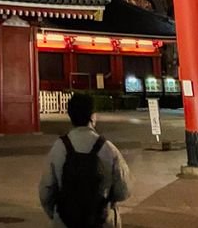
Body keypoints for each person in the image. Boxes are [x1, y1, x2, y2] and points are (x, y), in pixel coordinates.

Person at [38, 92, 131, 228]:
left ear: (70, 116)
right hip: (102, 221)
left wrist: (56, 215)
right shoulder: (107, 148)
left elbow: (45, 190)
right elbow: (124, 190)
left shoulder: (59, 148)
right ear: (93, 116)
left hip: (65, 222)